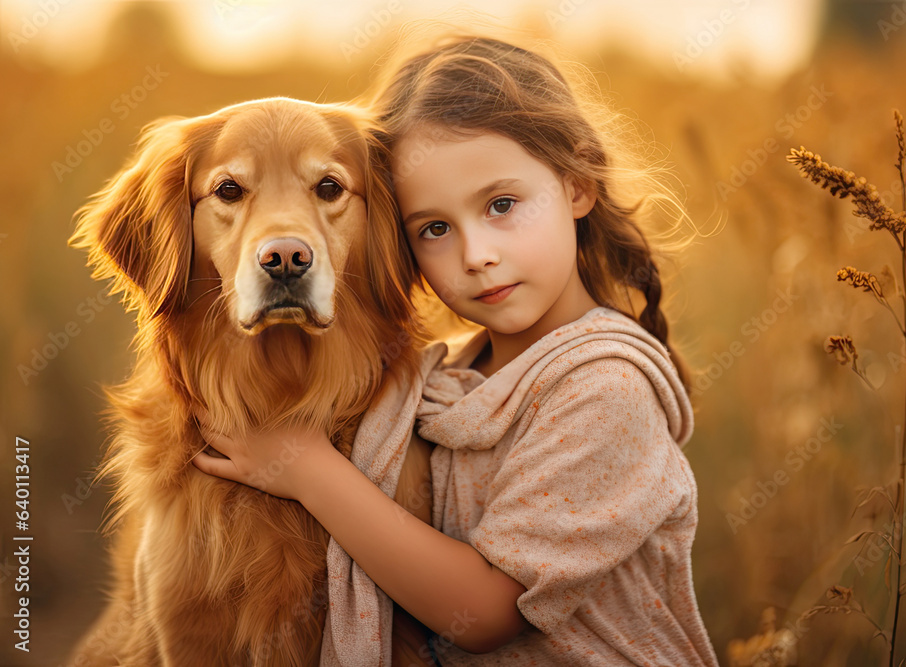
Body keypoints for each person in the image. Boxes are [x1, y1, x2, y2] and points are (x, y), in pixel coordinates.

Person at [195, 34, 718, 666]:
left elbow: (487, 613)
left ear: (577, 186)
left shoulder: (605, 391)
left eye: (502, 205)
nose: (477, 255)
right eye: (435, 229)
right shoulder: (446, 374)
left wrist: (306, 468)